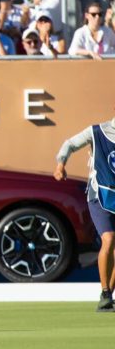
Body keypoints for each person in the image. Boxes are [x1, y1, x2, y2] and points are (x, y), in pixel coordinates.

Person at [55, 112, 115, 311]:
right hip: (99, 195)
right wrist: (61, 164)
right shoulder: (97, 131)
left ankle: (107, 296)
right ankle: (105, 292)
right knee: (109, 239)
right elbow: (70, 144)